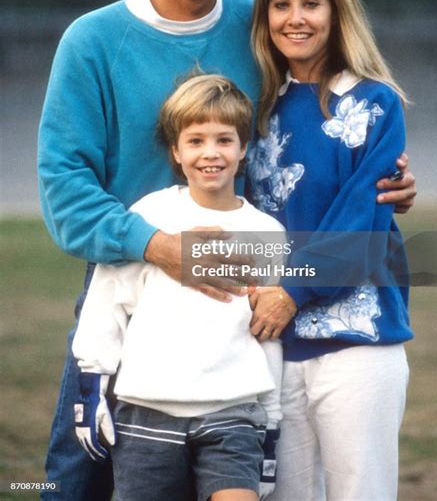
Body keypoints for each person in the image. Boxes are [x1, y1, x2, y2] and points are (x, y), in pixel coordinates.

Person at [37, 0, 416, 500]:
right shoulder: (92, 40)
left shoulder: (263, 22)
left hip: (246, 298)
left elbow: (328, 120)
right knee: (80, 479)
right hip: (133, 290)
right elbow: (66, 193)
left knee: (238, 478)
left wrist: (384, 171)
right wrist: (165, 248)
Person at [247, 0, 414, 501]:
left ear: (336, 10)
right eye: (280, 3)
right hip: (269, 345)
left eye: (312, 3)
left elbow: (360, 221)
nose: (295, 18)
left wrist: (292, 294)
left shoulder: (374, 104)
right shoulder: (253, 108)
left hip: (356, 343)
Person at [72, 74, 286, 501]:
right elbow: (106, 304)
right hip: (148, 414)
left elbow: (267, 334)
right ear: (176, 150)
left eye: (225, 140)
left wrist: (272, 426)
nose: (211, 153)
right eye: (196, 140)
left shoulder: (267, 233)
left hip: (233, 412)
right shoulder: (150, 216)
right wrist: (91, 388)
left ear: (243, 148)